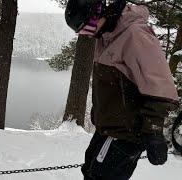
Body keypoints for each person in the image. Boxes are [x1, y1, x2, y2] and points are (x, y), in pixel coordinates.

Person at [65, 0, 179, 179]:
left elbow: (159, 86)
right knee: (90, 171)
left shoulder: (134, 34)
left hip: (125, 132)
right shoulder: (107, 34)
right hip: (109, 128)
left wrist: (154, 132)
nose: (87, 34)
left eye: (88, 27)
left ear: (99, 13)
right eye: (81, 31)